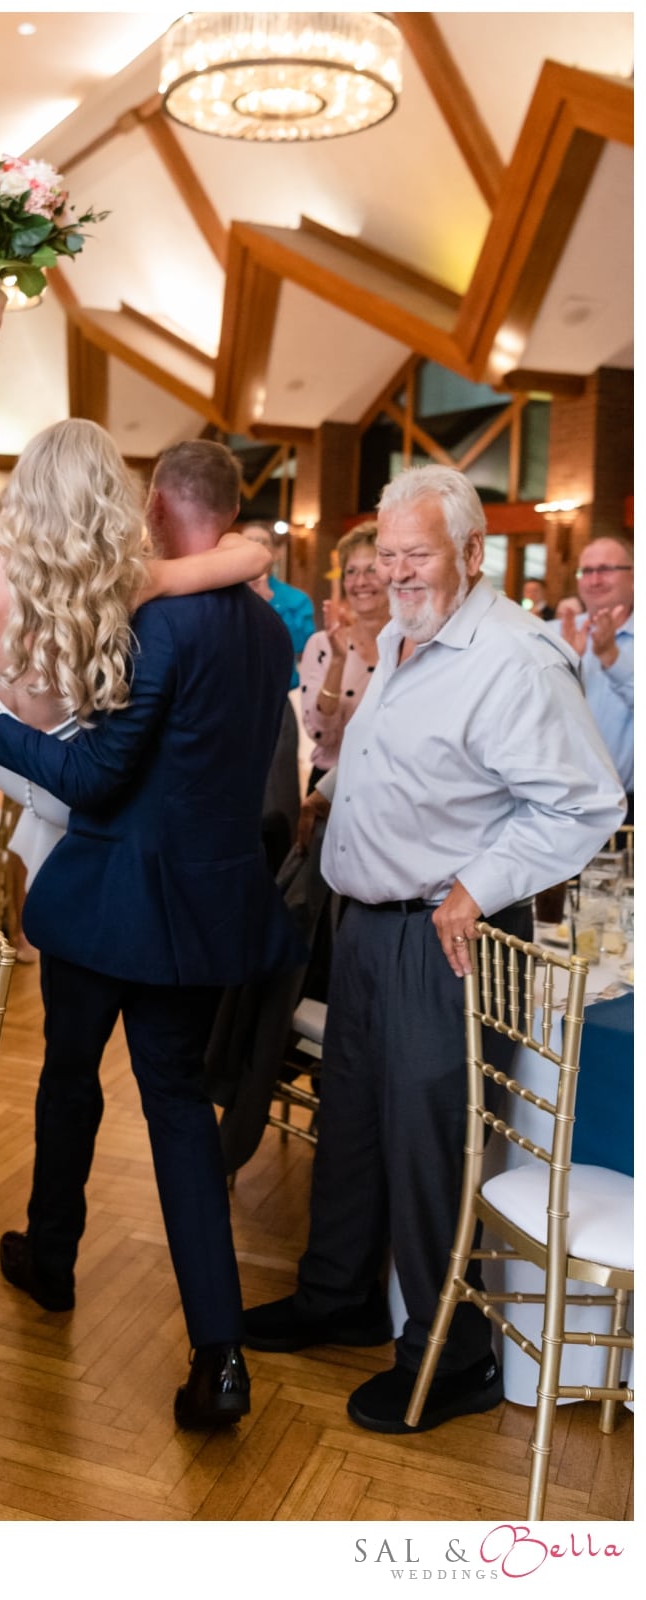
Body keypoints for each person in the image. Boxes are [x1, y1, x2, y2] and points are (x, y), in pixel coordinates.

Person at [258, 466, 626, 1433]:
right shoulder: (406, 637)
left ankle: (450, 1355)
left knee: (432, 1147)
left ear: (471, 553)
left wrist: (477, 887)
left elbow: (586, 802)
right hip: (368, 927)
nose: (397, 570)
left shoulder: (515, 658)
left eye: (416, 554)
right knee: (352, 1131)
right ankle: (337, 1296)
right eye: (387, 553)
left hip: (446, 936)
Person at [0, 427, 298, 1430]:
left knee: (66, 1077)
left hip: (109, 904)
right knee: (176, 1118)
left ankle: (52, 1256)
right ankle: (219, 1351)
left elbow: (94, 775)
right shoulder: (265, 627)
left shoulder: (160, 624)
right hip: (204, 914)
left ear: (160, 501)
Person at [0, 270, 269, 951]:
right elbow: (248, 560)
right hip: (73, 782)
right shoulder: (128, 582)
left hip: (1, 753)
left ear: (23, 492)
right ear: (113, 499)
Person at [297, 522, 388, 787]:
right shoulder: (322, 645)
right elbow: (320, 734)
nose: (360, 582)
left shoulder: (413, 645)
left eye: (371, 570)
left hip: (393, 788)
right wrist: (338, 661)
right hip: (331, 787)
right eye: (351, 572)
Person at [554, 535, 633, 814]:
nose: (594, 580)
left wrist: (611, 657)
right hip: (554, 800)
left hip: (628, 807)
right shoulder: (553, 634)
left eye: (606, 569)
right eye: (586, 571)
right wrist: (565, 668)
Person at [241, 523, 314, 689]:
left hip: (280, 692)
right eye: (248, 541)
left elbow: (302, 647)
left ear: (276, 553)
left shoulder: (297, 599)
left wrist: (270, 603)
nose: (254, 547)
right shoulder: (222, 595)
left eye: (262, 541)